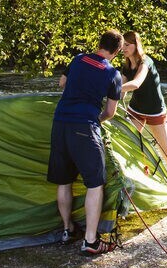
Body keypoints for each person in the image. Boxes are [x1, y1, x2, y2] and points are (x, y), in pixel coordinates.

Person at [49, 29, 125, 255]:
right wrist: (95, 119)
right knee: (95, 183)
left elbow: (62, 82)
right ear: (117, 51)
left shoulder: (78, 59)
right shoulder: (113, 74)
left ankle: (66, 230)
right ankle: (90, 241)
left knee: (63, 181)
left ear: (99, 44)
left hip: (60, 123)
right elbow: (110, 111)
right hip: (85, 128)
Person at [119, 30, 167, 205]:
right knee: (129, 145)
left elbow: (136, 84)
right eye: (122, 45)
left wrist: (114, 89)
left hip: (155, 112)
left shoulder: (146, 62)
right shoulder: (127, 65)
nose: (124, 48)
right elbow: (121, 85)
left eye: (127, 45)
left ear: (136, 45)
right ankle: (136, 188)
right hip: (135, 110)